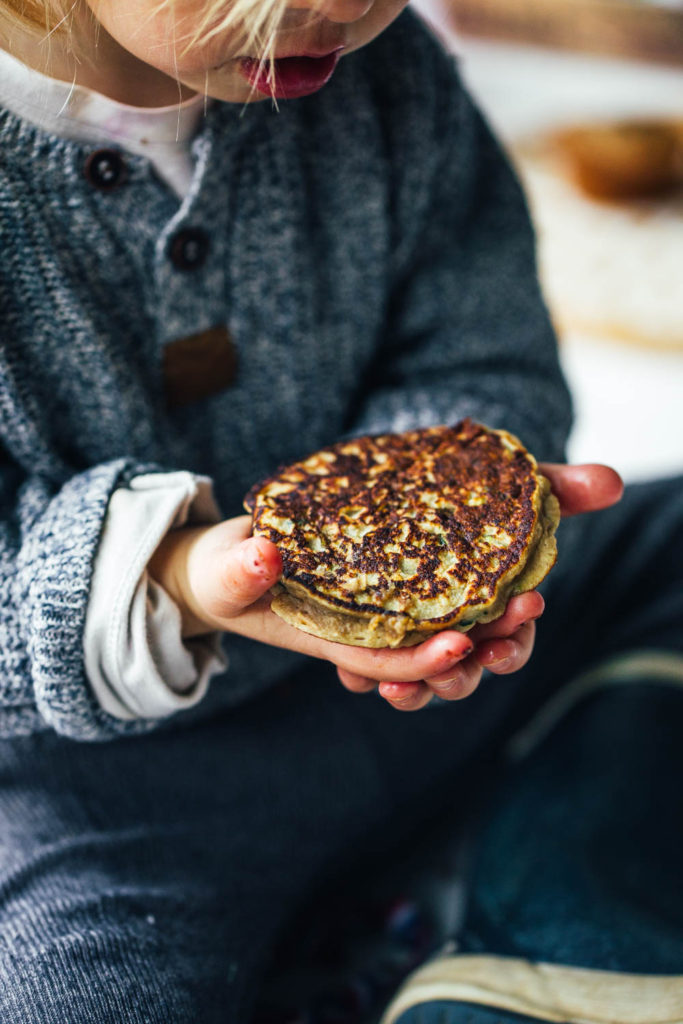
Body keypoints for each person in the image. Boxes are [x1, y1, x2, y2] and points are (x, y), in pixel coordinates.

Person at [0, 0, 622, 1020]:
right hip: (108, 803)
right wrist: (178, 575)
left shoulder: (389, 84)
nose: (346, 5)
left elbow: (477, 349)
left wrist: (428, 527)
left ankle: (515, 901)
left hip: (418, 700)